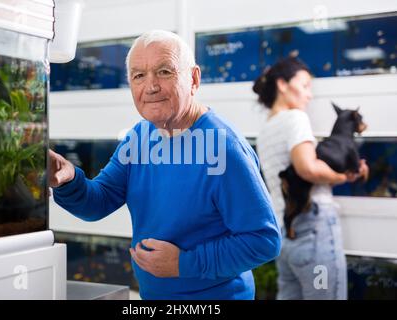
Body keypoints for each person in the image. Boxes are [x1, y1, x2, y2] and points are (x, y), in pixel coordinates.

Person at [49, 30, 281, 300]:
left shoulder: (223, 148)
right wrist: (67, 179)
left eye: (164, 72)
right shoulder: (139, 137)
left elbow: (264, 240)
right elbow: (97, 202)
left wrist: (183, 264)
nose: (151, 86)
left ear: (193, 79)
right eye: (139, 76)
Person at [254, 57, 369, 300]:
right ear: (283, 84)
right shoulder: (295, 118)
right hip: (313, 229)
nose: (310, 95)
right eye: (305, 86)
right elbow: (308, 168)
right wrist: (344, 176)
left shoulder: (265, 130)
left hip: (285, 234)